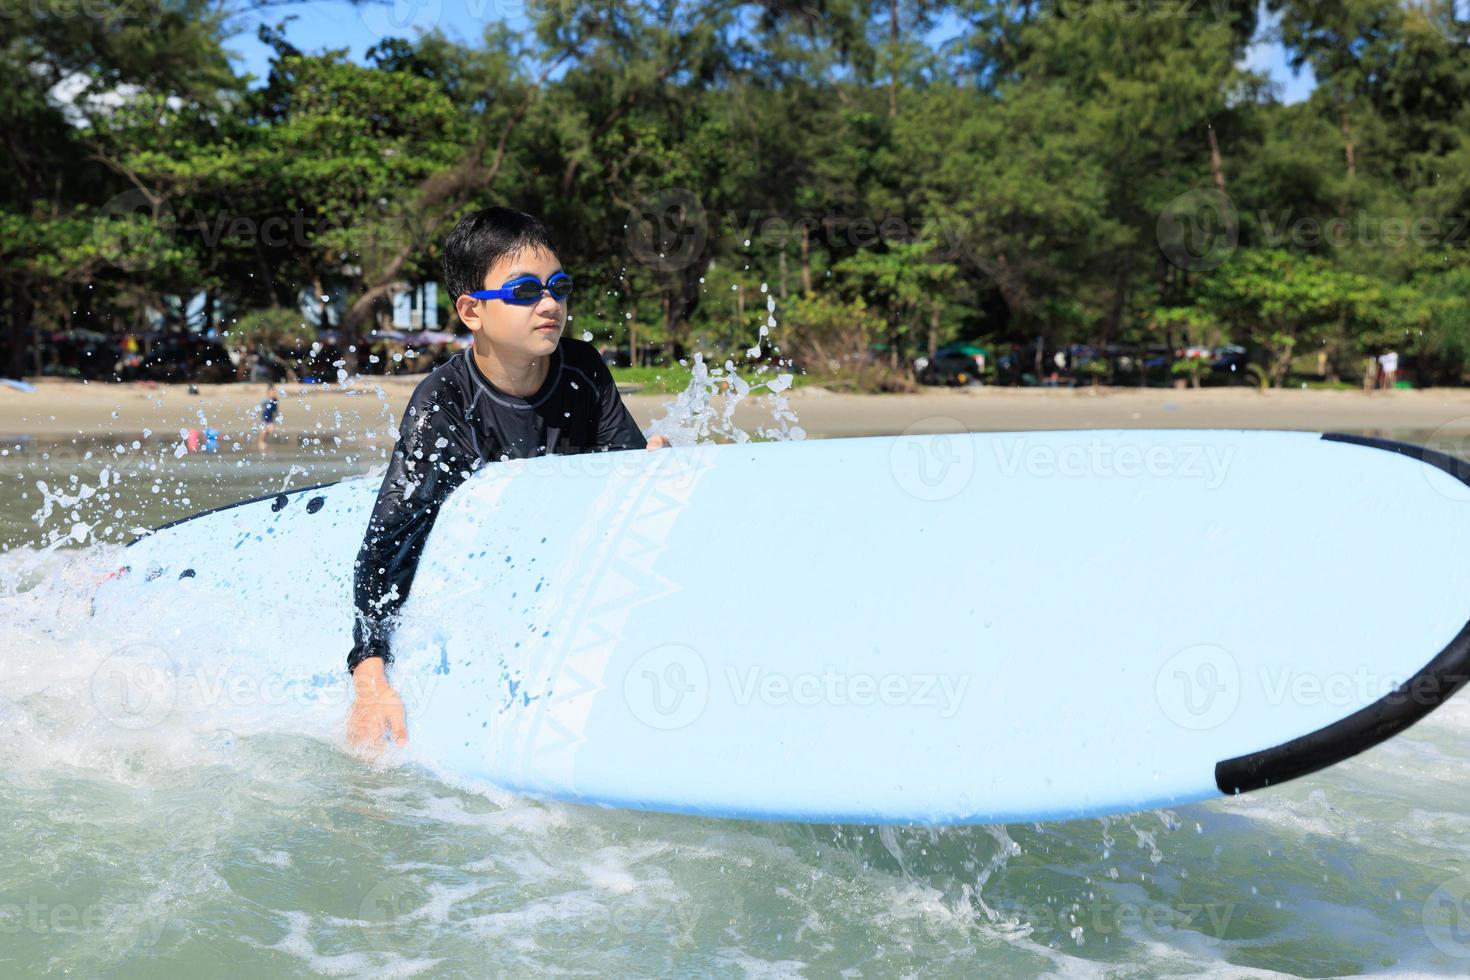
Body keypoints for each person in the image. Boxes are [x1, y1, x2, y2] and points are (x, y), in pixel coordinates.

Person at [346, 206, 671, 749]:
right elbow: (386, 549)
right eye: (524, 291)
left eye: (559, 287)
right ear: (472, 310)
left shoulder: (583, 371)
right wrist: (370, 677)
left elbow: (622, 481)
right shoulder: (444, 404)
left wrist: (653, 470)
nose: (550, 304)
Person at [256, 384, 279, 449]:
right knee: (263, 431)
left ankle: (263, 441)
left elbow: (275, 409)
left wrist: (277, 415)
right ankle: (261, 442)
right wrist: (254, 414)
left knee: (271, 430)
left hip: (271, 418)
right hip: (264, 418)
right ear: (268, 392)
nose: (274, 393)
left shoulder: (275, 400)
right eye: (273, 391)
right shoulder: (266, 400)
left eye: (275, 391)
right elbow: (259, 407)